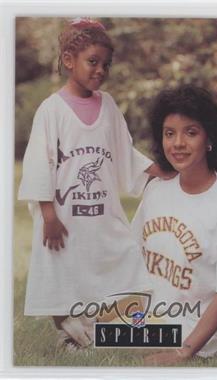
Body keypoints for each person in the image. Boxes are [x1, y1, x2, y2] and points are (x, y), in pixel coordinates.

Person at [18, 17, 166, 350]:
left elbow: (123, 152)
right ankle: (68, 334)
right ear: (69, 60)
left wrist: (153, 171)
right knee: (63, 270)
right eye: (93, 62)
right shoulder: (51, 110)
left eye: (106, 64)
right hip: (63, 217)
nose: (100, 70)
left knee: (123, 257)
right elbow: (39, 163)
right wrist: (48, 215)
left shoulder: (109, 106)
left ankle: (97, 329)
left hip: (101, 214)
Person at [131, 84, 217, 365]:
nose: (177, 143)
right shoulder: (157, 190)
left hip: (202, 329)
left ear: (209, 138)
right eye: (169, 133)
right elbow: (132, 253)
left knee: (102, 338)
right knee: (87, 316)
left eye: (191, 132)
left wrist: (182, 352)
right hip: (156, 313)